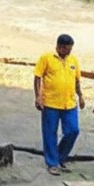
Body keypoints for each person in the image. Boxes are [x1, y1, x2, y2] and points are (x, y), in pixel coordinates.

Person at [34, 34, 84, 175]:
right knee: (50, 133)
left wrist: (80, 96)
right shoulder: (46, 58)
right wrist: (38, 96)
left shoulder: (73, 60)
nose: (69, 52)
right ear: (59, 47)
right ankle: (52, 162)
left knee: (73, 131)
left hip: (69, 103)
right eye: (67, 49)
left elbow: (77, 80)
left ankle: (60, 156)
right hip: (51, 102)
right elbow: (37, 77)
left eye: (70, 49)